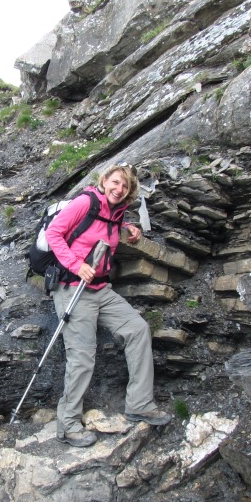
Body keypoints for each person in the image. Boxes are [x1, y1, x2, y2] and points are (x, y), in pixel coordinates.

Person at [45, 162, 171, 447]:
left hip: (101, 289)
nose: (119, 188)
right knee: (82, 356)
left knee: (137, 329)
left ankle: (139, 404)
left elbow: (105, 227)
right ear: (104, 181)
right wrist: (76, 265)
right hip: (73, 288)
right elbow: (54, 233)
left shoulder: (116, 212)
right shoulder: (85, 202)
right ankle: (67, 425)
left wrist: (128, 227)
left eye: (125, 186)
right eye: (115, 182)